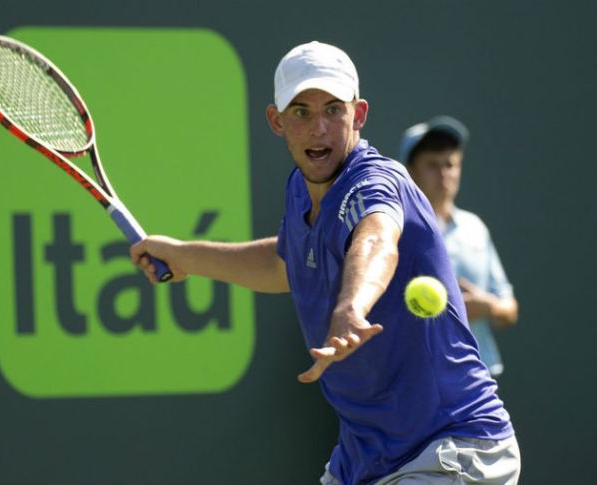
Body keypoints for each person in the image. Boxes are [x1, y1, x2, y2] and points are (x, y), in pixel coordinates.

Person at [131, 41, 520, 485]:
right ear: (276, 121)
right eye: (301, 112)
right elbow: (285, 265)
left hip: (451, 449)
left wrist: (351, 306)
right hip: (365, 459)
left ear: (359, 114)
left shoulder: (377, 181)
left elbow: (376, 240)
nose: (319, 129)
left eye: (334, 110)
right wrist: (185, 256)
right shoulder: (301, 189)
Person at [398, 116, 519, 378]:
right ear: (410, 172)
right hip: (415, 377)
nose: (444, 174)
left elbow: (509, 308)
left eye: (450, 164)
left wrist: (488, 307)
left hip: (478, 376)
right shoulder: (393, 229)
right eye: (432, 165)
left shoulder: (475, 228)